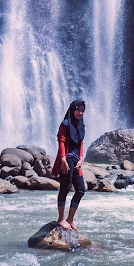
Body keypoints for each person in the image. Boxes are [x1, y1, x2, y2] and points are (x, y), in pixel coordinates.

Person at [52, 99, 86, 231]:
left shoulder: (81, 125)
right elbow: (61, 141)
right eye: (78, 110)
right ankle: (61, 219)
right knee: (65, 189)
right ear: (72, 110)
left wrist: (81, 158)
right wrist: (63, 160)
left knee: (81, 190)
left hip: (77, 161)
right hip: (67, 160)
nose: (80, 113)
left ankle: (70, 219)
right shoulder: (65, 124)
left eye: (82, 111)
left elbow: (81, 143)